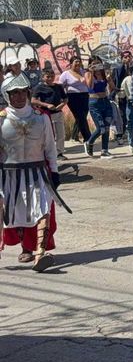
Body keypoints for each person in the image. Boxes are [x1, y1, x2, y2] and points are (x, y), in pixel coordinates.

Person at [0, 74, 63, 272]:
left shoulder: (40, 117)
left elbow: (50, 147)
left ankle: (39, 255)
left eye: (22, 92)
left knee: (42, 208)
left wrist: (54, 171)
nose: (19, 96)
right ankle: (22, 248)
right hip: (8, 175)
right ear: (6, 95)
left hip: (37, 173)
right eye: (14, 93)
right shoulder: (1, 119)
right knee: (9, 213)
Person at [32, 68, 67, 160]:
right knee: (49, 135)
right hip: (46, 114)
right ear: (43, 77)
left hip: (58, 113)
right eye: (48, 77)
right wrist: (46, 105)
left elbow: (65, 99)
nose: (50, 78)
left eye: (52, 76)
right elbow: (33, 100)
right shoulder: (39, 88)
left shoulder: (58, 87)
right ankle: (48, 153)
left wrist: (62, 105)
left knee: (61, 134)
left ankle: (59, 153)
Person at [84, 62, 116, 158]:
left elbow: (113, 87)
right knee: (100, 127)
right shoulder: (88, 74)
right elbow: (90, 86)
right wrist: (92, 72)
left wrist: (109, 79)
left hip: (105, 101)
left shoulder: (104, 74)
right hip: (95, 102)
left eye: (98, 64)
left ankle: (104, 150)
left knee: (106, 127)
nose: (97, 66)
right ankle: (89, 142)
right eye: (94, 64)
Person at [59, 56, 91, 146]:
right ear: (71, 63)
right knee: (80, 116)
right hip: (72, 97)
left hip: (85, 95)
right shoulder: (66, 74)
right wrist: (63, 97)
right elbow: (60, 87)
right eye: (76, 62)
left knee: (82, 116)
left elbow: (89, 82)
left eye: (79, 62)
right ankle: (88, 137)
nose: (78, 64)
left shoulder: (83, 72)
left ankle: (74, 136)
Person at [111, 50, 133, 140]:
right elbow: (114, 81)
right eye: (125, 57)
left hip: (132, 94)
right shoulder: (118, 68)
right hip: (121, 94)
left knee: (132, 113)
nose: (128, 59)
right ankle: (121, 133)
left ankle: (132, 132)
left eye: (129, 57)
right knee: (122, 115)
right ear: (122, 59)